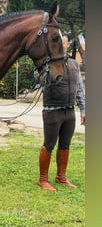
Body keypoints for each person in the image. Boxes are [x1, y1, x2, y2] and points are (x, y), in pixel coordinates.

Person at [37, 36, 85, 191]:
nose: (61, 45)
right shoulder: (47, 62)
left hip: (69, 111)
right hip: (52, 110)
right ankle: (43, 179)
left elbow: (79, 89)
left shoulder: (74, 64)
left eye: (64, 43)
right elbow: (38, 79)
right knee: (49, 144)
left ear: (67, 44)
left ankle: (61, 177)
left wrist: (83, 109)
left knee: (65, 145)